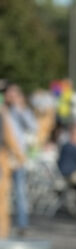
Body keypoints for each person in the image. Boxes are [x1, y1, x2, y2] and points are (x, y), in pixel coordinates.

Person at [3, 83, 37, 237]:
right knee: (3, 192)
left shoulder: (21, 111)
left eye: (15, 94)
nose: (12, 97)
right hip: (3, 155)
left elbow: (33, 126)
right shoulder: (3, 110)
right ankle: (4, 224)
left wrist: (19, 108)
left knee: (20, 191)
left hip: (18, 157)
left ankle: (22, 224)